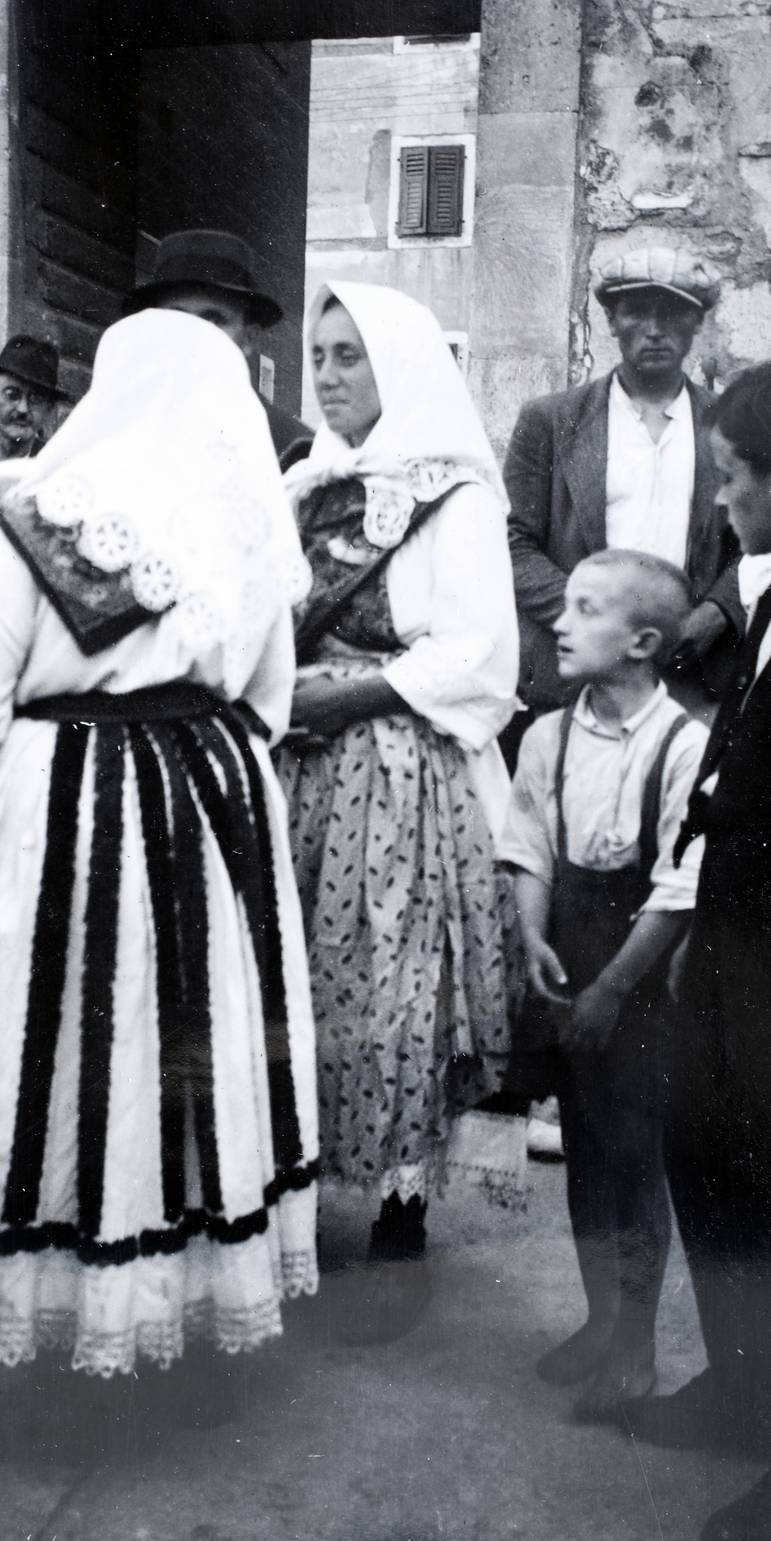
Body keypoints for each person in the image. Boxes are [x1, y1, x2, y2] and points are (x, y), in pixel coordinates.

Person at [0, 307, 319, 1376]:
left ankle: (57, 1315)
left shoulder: (34, 522)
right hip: (208, 809)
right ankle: (177, 1304)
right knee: (185, 1044)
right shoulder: (244, 534)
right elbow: (266, 702)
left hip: (64, 820)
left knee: (65, 1043)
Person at [275, 282, 517, 1333]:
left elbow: (478, 652)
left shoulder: (452, 498)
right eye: (318, 356)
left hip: (394, 766)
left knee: (393, 980)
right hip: (301, 762)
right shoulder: (302, 484)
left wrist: (355, 692)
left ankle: (398, 1208)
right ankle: (297, 1185)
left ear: (401, 365)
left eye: (348, 357)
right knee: (300, 978)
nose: (326, 377)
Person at [499, 550, 707, 1420]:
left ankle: (634, 1342)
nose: (558, 620)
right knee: (583, 1153)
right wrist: (533, 934)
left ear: (642, 642)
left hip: (639, 982)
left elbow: (679, 885)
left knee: (633, 1159)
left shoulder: (683, 742)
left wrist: (613, 987)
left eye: (585, 610)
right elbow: (528, 843)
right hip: (566, 964)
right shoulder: (548, 733)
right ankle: (596, 1319)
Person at [626, 363, 771, 1541]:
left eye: (731, 477)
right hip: (734, 933)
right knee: (707, 1162)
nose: (718, 499)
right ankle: (737, 1392)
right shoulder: (762, 593)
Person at [504, 247, 740, 745]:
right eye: (637, 312)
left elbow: (754, 544)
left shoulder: (726, 423)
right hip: (575, 678)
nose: (654, 329)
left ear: (696, 322)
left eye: (672, 312)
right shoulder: (551, 421)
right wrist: (592, 620)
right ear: (612, 320)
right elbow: (512, 543)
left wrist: (717, 611)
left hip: (689, 674)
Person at [123, 228, 314, 471]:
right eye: (176, 318)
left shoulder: (295, 450)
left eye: (214, 320)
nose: (194, 334)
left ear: (249, 338)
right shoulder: (122, 435)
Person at [0, 334, 68, 465]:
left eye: (36, 399)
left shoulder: (58, 468)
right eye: (12, 394)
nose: (23, 409)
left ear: (49, 409)